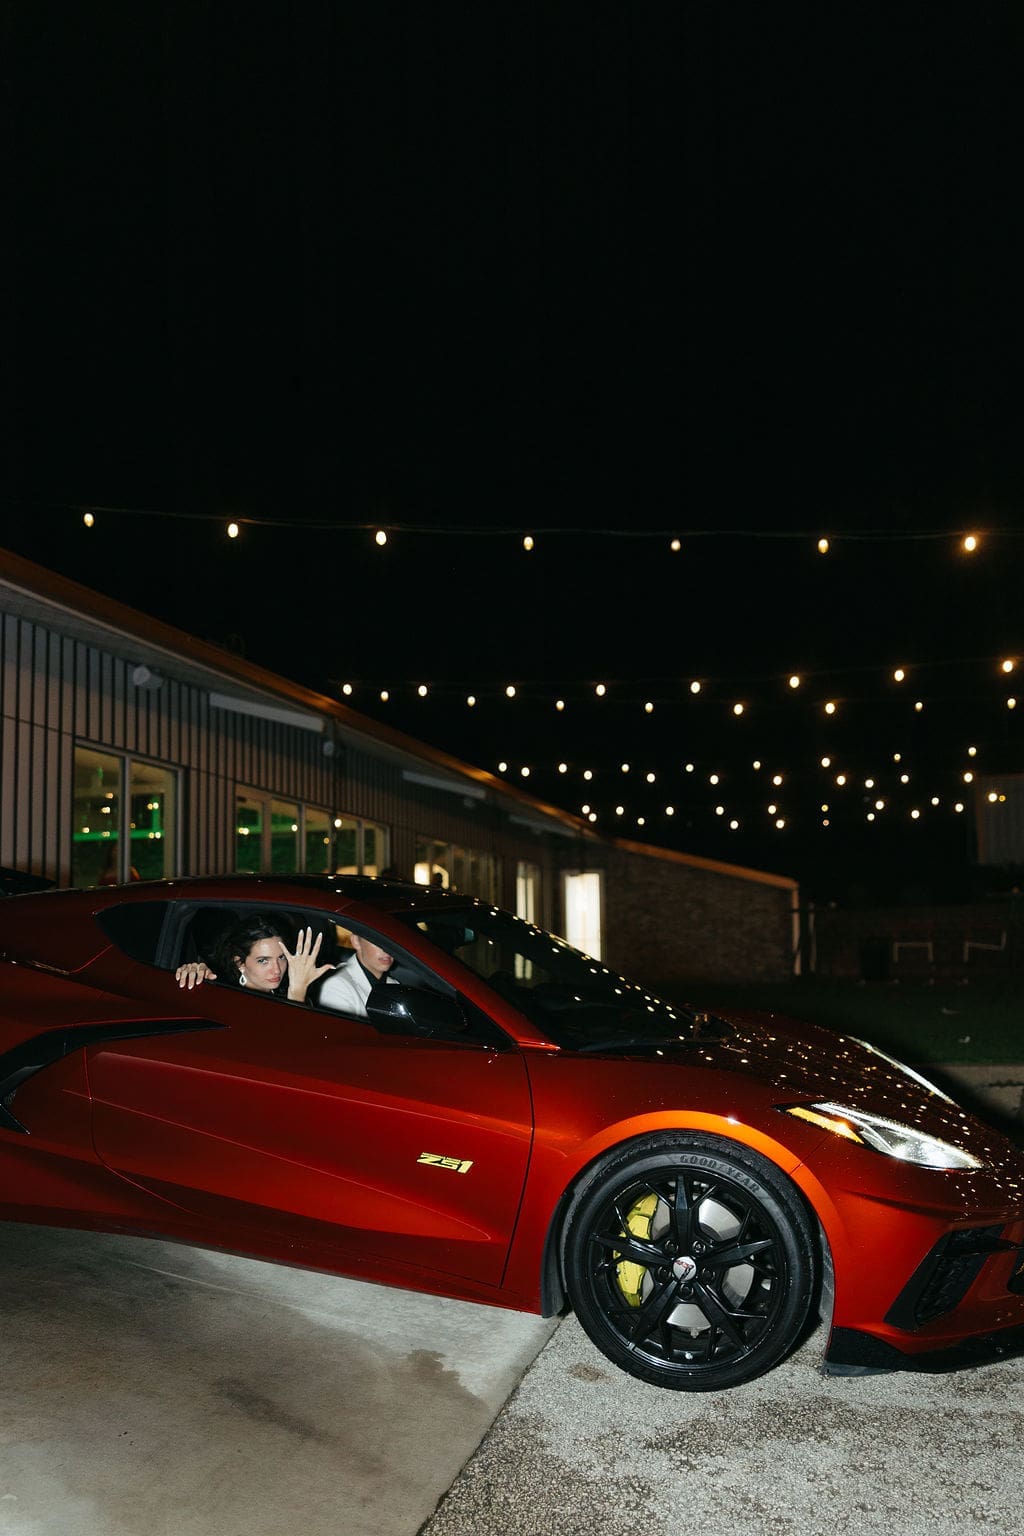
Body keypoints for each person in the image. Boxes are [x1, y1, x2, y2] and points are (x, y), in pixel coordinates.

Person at [175, 914, 332, 1004]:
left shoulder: (288, 990)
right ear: (240, 963)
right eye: (263, 960)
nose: (277, 969)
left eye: (281, 957)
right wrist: (297, 995)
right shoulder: (227, 999)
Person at [316, 933, 399, 1017]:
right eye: (377, 940)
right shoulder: (336, 986)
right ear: (356, 941)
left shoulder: (395, 985)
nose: (387, 949)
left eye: (391, 941)